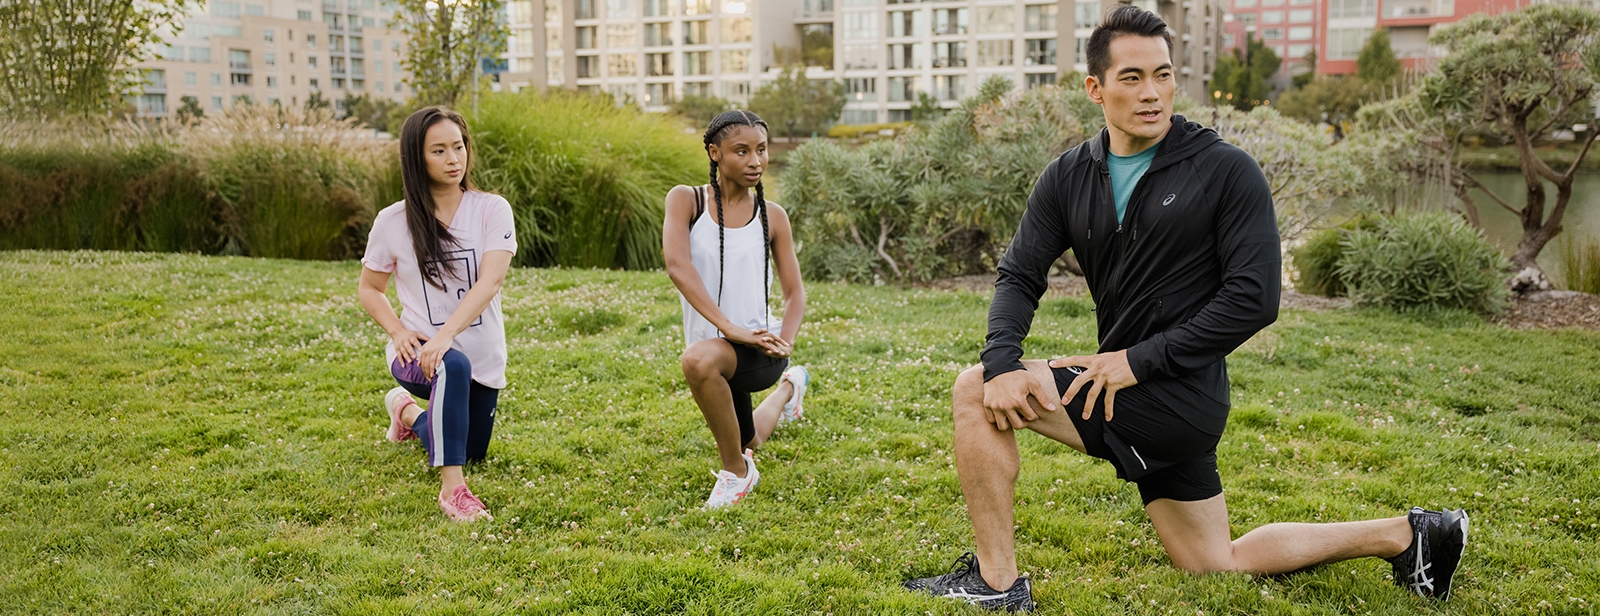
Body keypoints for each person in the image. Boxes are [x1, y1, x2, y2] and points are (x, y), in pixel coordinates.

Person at [903, 6, 1467, 611]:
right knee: (1214, 561)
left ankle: (995, 586)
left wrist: (1134, 362)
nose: (1152, 93)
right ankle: (1411, 534)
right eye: (1132, 77)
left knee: (971, 391)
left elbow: (1255, 299)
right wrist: (1004, 358)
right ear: (1095, 88)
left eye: (1163, 75)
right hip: (1143, 392)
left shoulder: (1225, 171)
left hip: (1174, 394)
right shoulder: (1069, 176)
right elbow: (1019, 274)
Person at [357, 106, 516, 522]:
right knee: (452, 366)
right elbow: (369, 289)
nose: (454, 159)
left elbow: (491, 281)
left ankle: (406, 412)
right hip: (419, 354)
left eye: (459, 147)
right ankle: (453, 492)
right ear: (416, 158)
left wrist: (448, 332)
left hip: (481, 353)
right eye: (439, 150)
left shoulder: (491, 209)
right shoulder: (392, 222)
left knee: (470, 448)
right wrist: (396, 330)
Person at [663, 109, 811, 509]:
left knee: (697, 361)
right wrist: (729, 328)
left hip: (757, 349)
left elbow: (795, 293)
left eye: (761, 150)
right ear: (715, 152)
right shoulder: (686, 201)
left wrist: (786, 342)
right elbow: (677, 266)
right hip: (723, 343)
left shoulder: (772, 216)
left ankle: (737, 473)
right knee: (751, 439)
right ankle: (790, 389)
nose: (755, 161)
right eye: (741, 151)